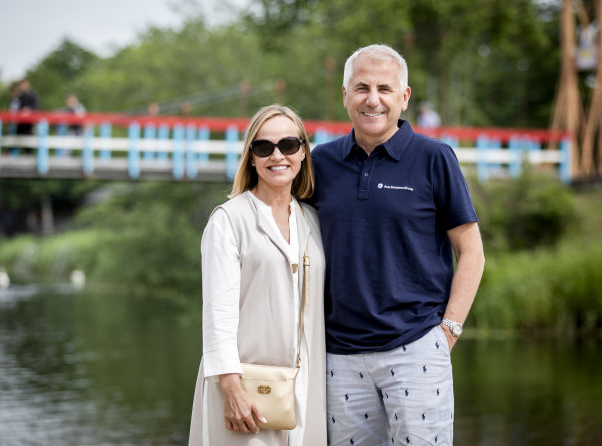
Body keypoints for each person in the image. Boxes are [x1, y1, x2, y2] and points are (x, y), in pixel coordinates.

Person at [310, 44, 485, 445]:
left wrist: (448, 332)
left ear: (404, 97)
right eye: (362, 88)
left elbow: (472, 251)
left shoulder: (434, 158)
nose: (373, 99)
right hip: (339, 356)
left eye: (385, 89)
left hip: (417, 348)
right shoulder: (321, 163)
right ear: (345, 95)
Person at [188, 104, 327, 445]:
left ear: (303, 152)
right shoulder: (228, 220)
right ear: (251, 157)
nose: (277, 156)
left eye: (289, 145)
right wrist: (231, 388)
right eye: (264, 147)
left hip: (306, 383)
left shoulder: (313, 219)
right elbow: (217, 313)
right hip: (246, 388)